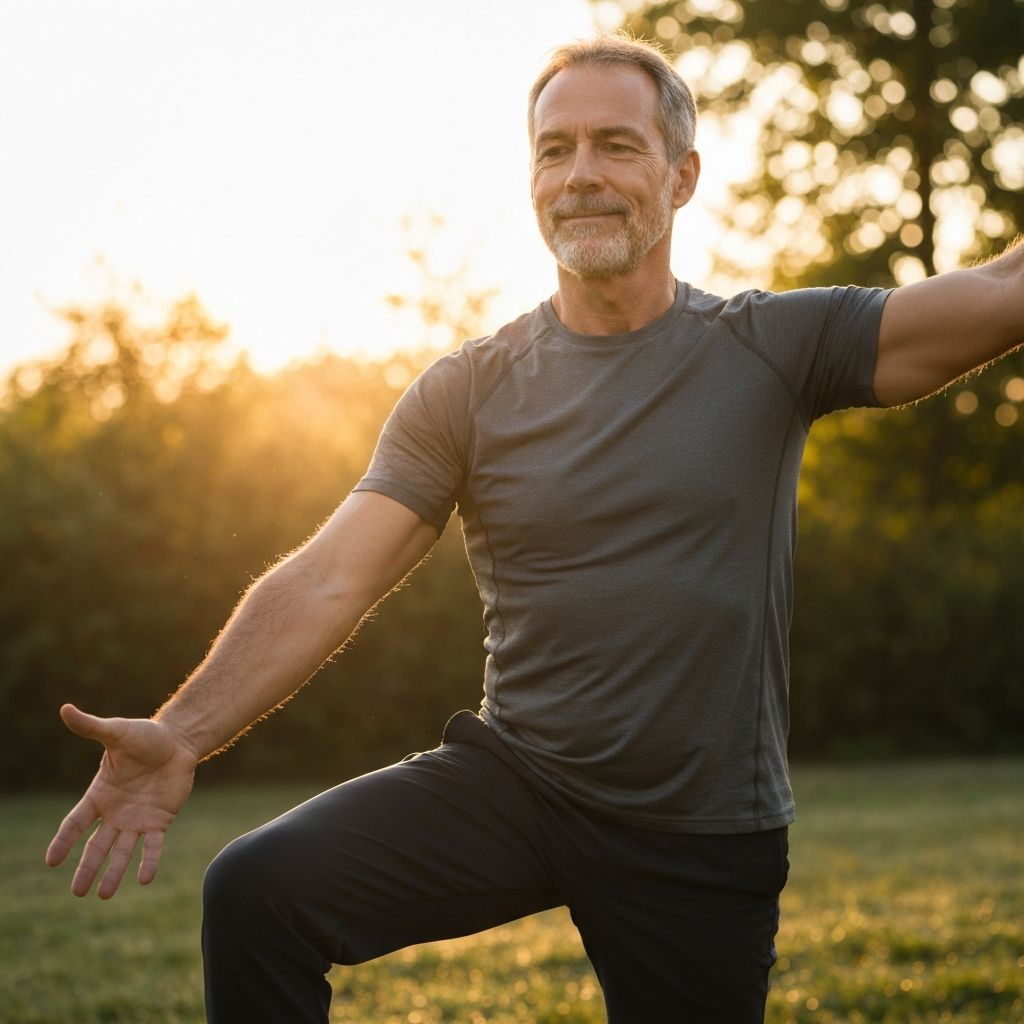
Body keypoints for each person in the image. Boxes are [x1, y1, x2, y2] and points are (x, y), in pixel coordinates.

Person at [46, 34, 1023, 1024]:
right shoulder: (469, 390)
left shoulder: (773, 346)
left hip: (700, 826)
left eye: (615, 145)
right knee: (256, 891)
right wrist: (181, 732)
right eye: (554, 150)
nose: (581, 175)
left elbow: (995, 294)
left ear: (680, 175)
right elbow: (327, 578)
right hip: (518, 784)